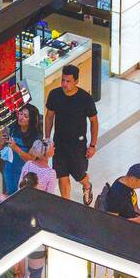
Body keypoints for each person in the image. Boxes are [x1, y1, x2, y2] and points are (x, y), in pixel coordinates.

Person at [44, 65, 99, 202]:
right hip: (59, 143)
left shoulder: (85, 99)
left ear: (76, 81)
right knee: (61, 174)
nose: (64, 84)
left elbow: (94, 121)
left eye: (68, 81)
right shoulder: (54, 94)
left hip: (77, 144)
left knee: (79, 175)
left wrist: (92, 145)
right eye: (62, 80)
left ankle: (87, 185)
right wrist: (47, 138)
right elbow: (49, 116)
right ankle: (65, 204)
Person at [0, 104, 40, 195]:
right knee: (11, 194)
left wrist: (16, 148)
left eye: (25, 116)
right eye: (20, 114)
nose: (21, 118)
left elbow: (31, 159)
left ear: (31, 120)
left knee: (23, 196)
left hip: (26, 173)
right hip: (9, 169)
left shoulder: (37, 136)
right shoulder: (11, 128)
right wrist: (1, 141)